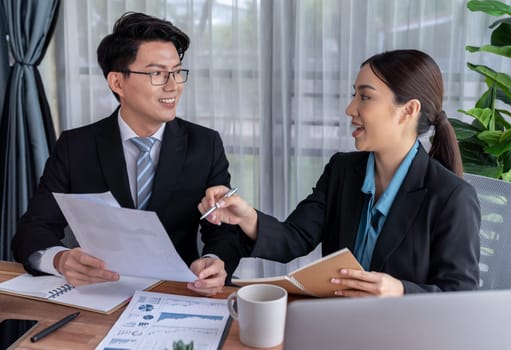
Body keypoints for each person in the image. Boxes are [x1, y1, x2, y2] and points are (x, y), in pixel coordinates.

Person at [199, 49, 481, 296]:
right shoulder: (342, 170)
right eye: (353, 95)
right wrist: (247, 216)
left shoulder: (452, 197)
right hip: (336, 325)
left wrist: (400, 291)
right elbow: (295, 237)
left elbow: (460, 295)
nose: (350, 109)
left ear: (408, 110)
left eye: (365, 97)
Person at [11, 12, 249, 296]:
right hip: (99, 293)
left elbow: (221, 229)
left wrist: (214, 260)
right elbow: (32, 231)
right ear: (117, 83)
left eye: (177, 71)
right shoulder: (76, 147)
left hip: (178, 292)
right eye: (157, 73)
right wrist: (61, 259)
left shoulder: (205, 144)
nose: (173, 86)